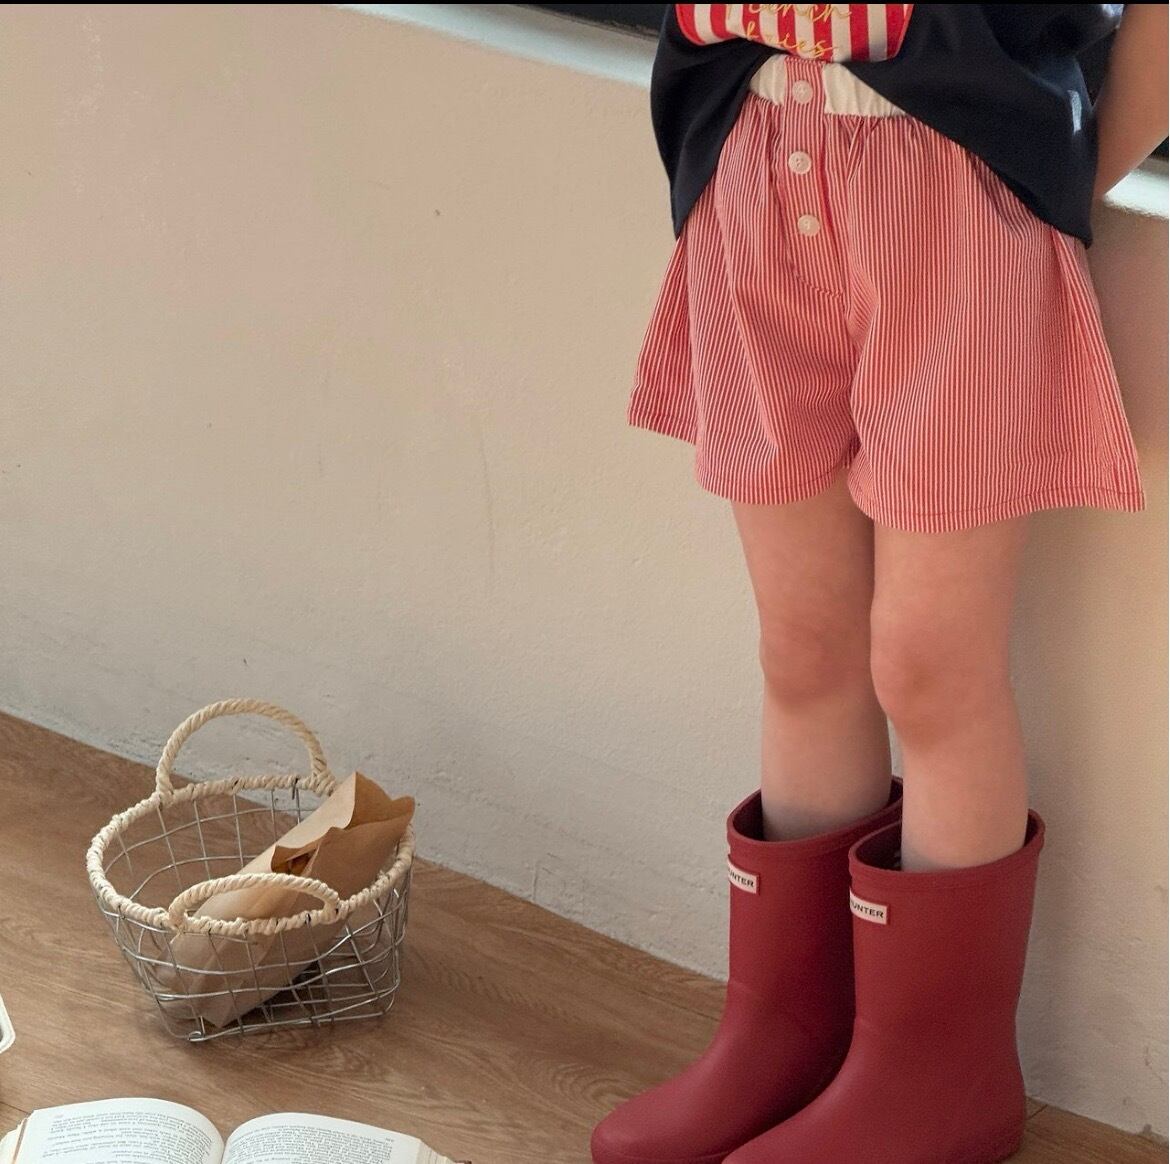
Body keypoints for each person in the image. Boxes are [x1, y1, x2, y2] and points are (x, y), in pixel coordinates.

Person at [591, 5, 1168, 1163]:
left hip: (958, 203)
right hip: (754, 162)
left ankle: (938, 1074)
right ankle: (790, 1033)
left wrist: (1045, 170)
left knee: (931, 664)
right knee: (804, 645)